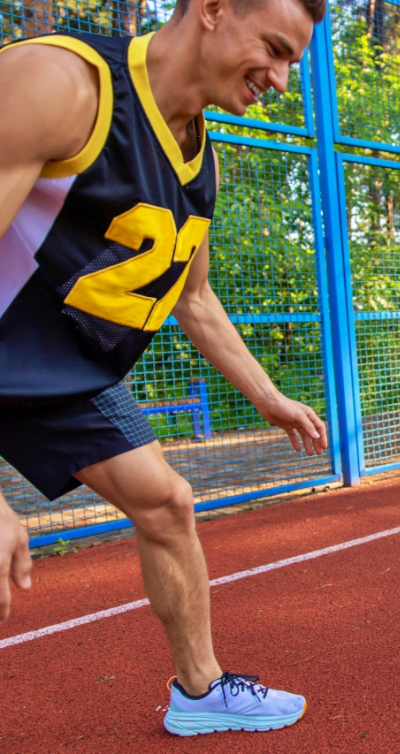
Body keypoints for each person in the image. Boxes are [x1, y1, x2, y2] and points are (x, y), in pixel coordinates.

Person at [0, 0, 326, 735]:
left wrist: (270, 396)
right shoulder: (62, 85)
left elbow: (197, 296)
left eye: (291, 63)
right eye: (273, 49)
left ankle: (200, 691)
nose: (280, 78)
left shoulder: (197, 157)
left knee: (169, 504)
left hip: (60, 372)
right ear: (211, 9)